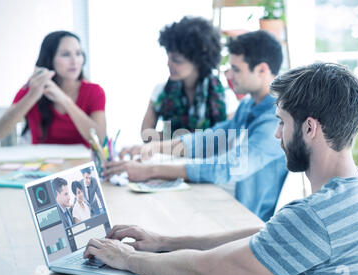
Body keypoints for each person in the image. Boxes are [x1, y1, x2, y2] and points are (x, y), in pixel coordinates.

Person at [85, 62, 358, 275]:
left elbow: (201, 274)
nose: (276, 135)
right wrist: (165, 242)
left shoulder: (316, 218)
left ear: (310, 128)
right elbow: (271, 235)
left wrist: (128, 258)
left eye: (282, 123)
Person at [105, 30, 288, 222]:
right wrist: (154, 148)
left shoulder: (276, 119)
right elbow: (211, 138)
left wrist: (151, 170)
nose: (230, 75)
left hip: (245, 217)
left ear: (262, 70)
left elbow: (229, 166)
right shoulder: (249, 105)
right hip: (223, 199)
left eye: (236, 69)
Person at [0, 31, 107, 147]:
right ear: (49, 59)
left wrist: (65, 101)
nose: (74, 61)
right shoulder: (33, 88)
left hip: (83, 163)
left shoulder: (94, 91)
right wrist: (32, 96)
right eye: (66, 54)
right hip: (43, 163)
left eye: (78, 53)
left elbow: (101, 138)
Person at [140, 16, 228, 142]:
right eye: (168, 57)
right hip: (168, 160)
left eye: (177, 60)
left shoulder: (223, 94)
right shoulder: (160, 91)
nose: (169, 64)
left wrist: (174, 140)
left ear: (198, 61)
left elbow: (228, 137)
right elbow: (146, 134)